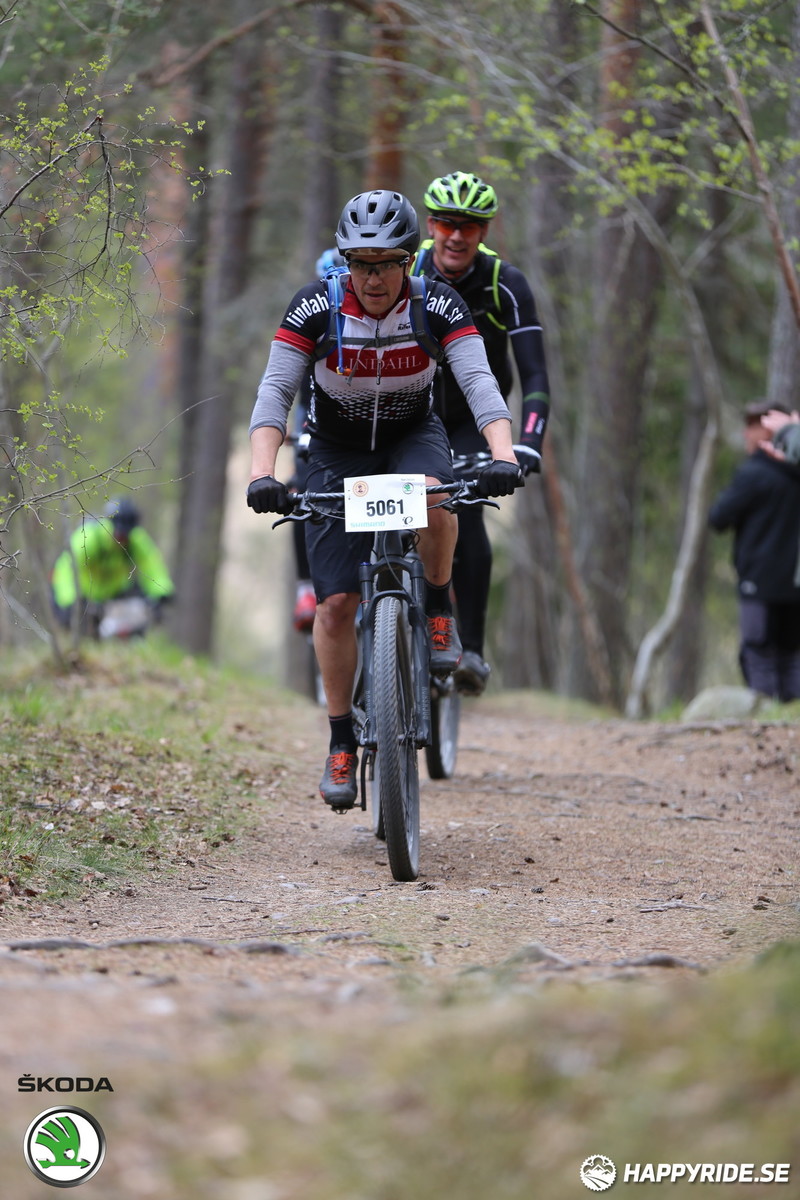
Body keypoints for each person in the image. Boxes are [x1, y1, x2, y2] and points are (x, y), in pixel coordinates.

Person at [247, 189, 523, 808]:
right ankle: (342, 740)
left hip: (410, 437)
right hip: (336, 451)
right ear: (346, 261)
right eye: (361, 263)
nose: (373, 278)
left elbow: (480, 382)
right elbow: (274, 395)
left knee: (434, 496)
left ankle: (439, 602)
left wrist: (503, 455)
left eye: (387, 263)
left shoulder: (438, 303)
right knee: (335, 606)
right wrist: (264, 473)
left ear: (408, 260)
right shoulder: (315, 306)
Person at [412, 170, 550, 695]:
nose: (456, 235)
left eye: (469, 226)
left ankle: (469, 648)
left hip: (473, 421)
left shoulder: (503, 283)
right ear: (430, 225)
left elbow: (535, 376)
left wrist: (527, 444)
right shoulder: (409, 270)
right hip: (412, 415)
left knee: (463, 517)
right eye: (447, 222)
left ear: (484, 230)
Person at [709, 399, 800, 702]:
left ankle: (764, 723)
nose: (747, 434)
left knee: (758, 652)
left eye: (752, 427)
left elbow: (718, 517)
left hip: (759, 583)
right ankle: (788, 721)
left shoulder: (754, 475)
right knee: (790, 655)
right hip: (795, 585)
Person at [289, 249, 347, 634]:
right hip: (315, 423)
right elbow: (298, 394)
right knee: (299, 493)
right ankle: (307, 587)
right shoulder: (313, 321)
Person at [51, 498, 175, 632]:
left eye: (126, 535)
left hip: (113, 595)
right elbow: (66, 569)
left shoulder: (135, 538)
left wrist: (161, 592)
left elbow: (152, 564)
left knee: (140, 608)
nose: (122, 539)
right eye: (119, 534)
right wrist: (69, 600)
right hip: (82, 597)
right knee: (78, 628)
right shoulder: (89, 537)